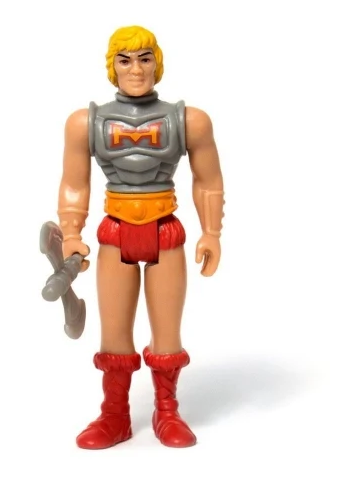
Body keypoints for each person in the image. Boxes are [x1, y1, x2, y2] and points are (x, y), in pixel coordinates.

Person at [57, 25, 224, 449]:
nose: (136, 69)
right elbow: (74, 184)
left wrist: (212, 232)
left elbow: (207, 180)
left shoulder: (189, 121)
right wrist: (71, 234)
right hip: (115, 232)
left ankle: (167, 410)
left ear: (157, 64)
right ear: (112, 67)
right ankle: (114, 414)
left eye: (145, 59)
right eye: (125, 60)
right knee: (114, 332)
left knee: (167, 332)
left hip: (165, 230)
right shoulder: (85, 123)